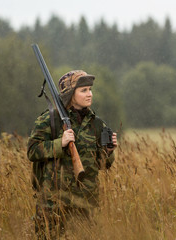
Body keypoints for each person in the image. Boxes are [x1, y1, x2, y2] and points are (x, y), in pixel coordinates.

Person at [27, 70, 118, 239]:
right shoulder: (50, 120)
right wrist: (60, 143)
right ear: (70, 94)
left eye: (90, 89)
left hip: (86, 204)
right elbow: (32, 151)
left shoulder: (97, 124)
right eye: (83, 90)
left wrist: (108, 152)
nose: (89, 94)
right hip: (53, 205)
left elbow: (101, 165)